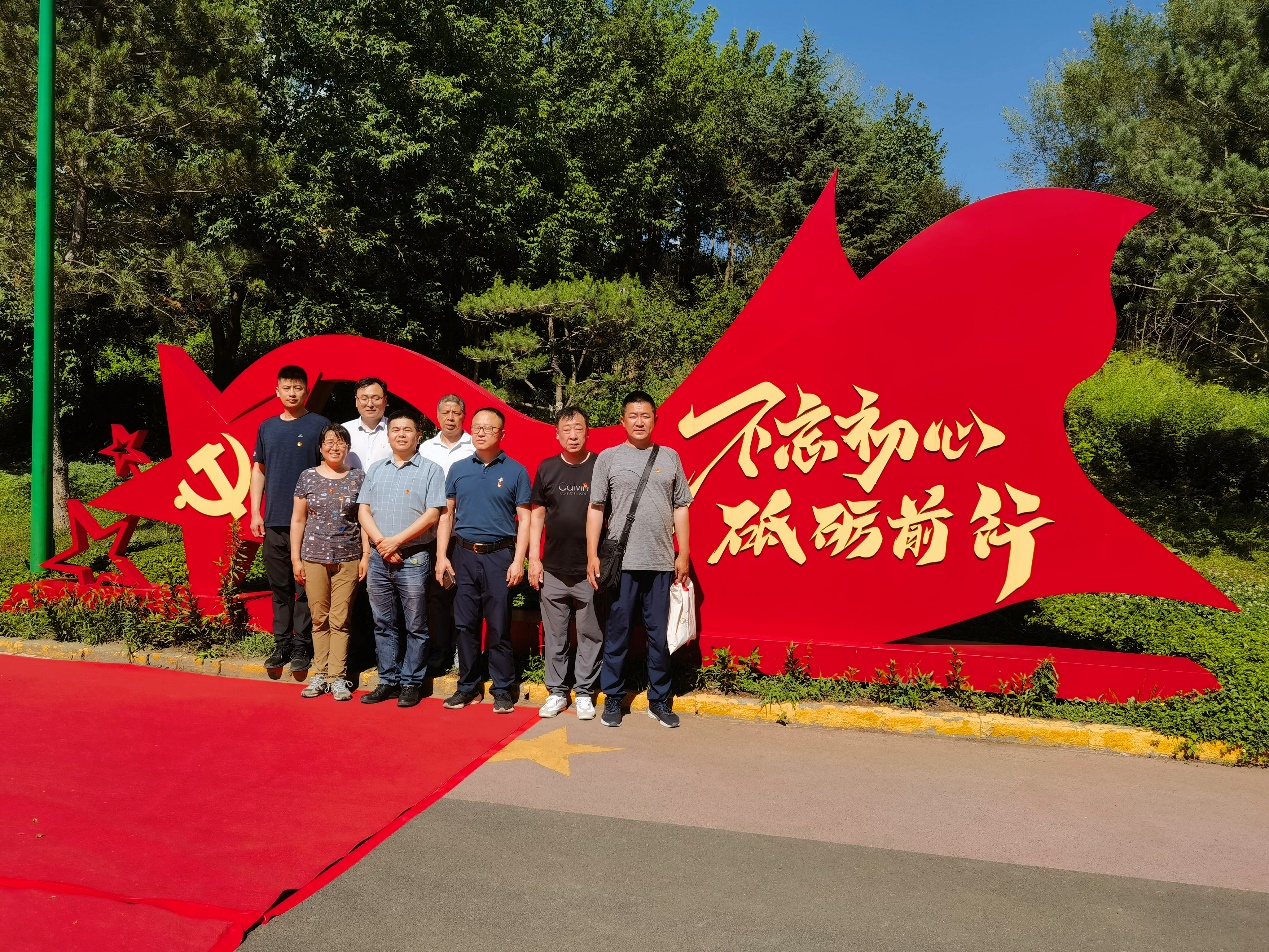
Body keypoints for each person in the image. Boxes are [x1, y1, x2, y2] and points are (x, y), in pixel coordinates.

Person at [587, 390, 693, 729]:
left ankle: (659, 700)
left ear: (655, 420)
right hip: (622, 565)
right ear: (622, 420)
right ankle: (613, 698)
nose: (639, 421)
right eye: (633, 415)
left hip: (661, 562)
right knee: (617, 633)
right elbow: (596, 508)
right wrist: (592, 554)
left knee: (658, 636)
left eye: (645, 415)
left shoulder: (670, 457)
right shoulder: (608, 458)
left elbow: (681, 507)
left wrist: (684, 552)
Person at [435, 407, 531, 714]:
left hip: (499, 557)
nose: (480, 432)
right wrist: (441, 556)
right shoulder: (458, 468)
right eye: (476, 427)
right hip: (463, 555)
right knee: (465, 625)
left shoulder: (516, 471)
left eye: (488, 428)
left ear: (502, 434)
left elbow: (526, 520)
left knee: (499, 626)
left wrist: (518, 560)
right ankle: (468, 687)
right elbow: (446, 515)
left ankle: (502, 688)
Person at [356, 411, 447, 708]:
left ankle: (411, 682)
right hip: (380, 559)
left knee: (416, 625)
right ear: (389, 435)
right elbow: (363, 510)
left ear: (418, 435)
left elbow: (432, 514)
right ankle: (388, 680)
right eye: (395, 429)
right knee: (383, 622)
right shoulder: (376, 469)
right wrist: (383, 544)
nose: (401, 434)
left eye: (408, 430)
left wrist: (396, 541)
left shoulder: (431, 470)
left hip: (414, 557)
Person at [250, 365, 330, 672]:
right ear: (277, 391)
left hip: (310, 525)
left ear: (306, 391)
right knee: (280, 588)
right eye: (287, 388)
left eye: (298, 388)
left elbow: (328, 470)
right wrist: (256, 511)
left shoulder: (320, 425)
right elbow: (259, 470)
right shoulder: (267, 427)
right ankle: (281, 645)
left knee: (305, 589)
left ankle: (302, 647)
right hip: (274, 521)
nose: (292, 393)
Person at [528, 407, 600, 720]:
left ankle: (584, 693)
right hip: (553, 569)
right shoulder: (547, 468)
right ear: (557, 435)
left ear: (587, 433)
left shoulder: (600, 466)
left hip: (589, 570)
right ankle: (557, 692)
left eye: (578, 429)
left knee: (589, 634)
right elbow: (537, 516)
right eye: (566, 430)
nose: (573, 436)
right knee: (556, 636)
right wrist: (534, 558)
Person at [290, 424, 369, 701]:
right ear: (321, 447)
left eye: (341, 443)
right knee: (319, 618)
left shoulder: (358, 477)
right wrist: (296, 558)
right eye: (329, 442)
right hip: (313, 557)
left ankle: (338, 677)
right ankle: (320, 674)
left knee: (341, 619)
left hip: (349, 557)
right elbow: (298, 519)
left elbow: (364, 519)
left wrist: (366, 555)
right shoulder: (307, 477)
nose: (335, 447)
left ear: (348, 448)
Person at [418, 394, 475, 677]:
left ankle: (462, 651)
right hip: (431, 533)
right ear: (437, 415)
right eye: (445, 412)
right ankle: (440, 649)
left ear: (464, 416)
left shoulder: (474, 445)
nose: (450, 417)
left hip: (464, 533)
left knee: (463, 594)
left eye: (456, 412)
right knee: (436, 594)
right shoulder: (426, 448)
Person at [342, 377, 392, 471]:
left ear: (385, 401)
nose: (370, 404)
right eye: (364, 398)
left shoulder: (396, 430)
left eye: (376, 398)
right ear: (356, 401)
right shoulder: (344, 430)